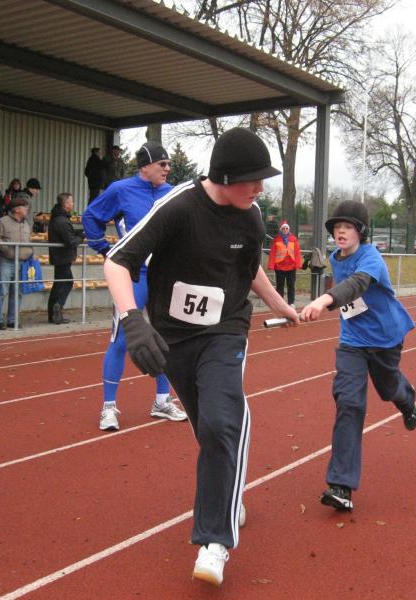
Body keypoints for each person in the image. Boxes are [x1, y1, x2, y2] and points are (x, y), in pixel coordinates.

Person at [103, 127, 298, 587]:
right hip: (174, 339)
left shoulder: (251, 217)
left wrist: (280, 305)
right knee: (204, 425)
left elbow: (250, 269)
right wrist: (133, 321)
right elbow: (117, 261)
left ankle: (215, 542)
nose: (260, 189)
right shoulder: (178, 208)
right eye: (253, 180)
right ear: (225, 177)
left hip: (225, 330)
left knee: (222, 421)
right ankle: (228, 490)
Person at [301, 200, 416, 513]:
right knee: (349, 402)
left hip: (385, 338)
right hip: (352, 340)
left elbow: (357, 285)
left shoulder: (371, 258)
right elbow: (347, 296)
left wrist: (323, 300)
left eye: (348, 227)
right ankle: (341, 485)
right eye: (336, 227)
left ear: (361, 231)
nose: (340, 232)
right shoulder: (334, 258)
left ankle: (406, 398)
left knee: (388, 388)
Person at [83, 141, 186, 430]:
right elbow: (91, 216)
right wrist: (106, 250)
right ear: (145, 166)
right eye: (162, 164)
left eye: (169, 164)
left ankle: (162, 401)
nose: (168, 168)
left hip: (164, 278)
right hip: (134, 276)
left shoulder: (173, 193)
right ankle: (109, 407)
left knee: (165, 338)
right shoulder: (120, 190)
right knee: (121, 340)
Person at [0, 193, 33, 329]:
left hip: (22, 262)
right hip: (6, 261)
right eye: (24, 207)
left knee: (17, 292)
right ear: (16, 209)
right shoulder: (2, 221)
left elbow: (29, 240)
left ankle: (12, 319)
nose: (27, 210)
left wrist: (30, 252)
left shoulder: (26, 224)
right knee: (2, 291)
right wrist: (7, 250)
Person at [47, 192, 83, 324]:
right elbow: (70, 241)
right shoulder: (61, 220)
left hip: (59, 256)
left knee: (59, 284)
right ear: (66, 204)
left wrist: (79, 232)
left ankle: (52, 314)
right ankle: (58, 306)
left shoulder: (58, 218)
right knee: (66, 282)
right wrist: (81, 237)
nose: (73, 204)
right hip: (62, 257)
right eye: (71, 201)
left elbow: (68, 234)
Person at [267, 220, 302, 307]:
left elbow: (297, 252)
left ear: (288, 229)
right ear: (281, 229)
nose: (285, 229)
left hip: (291, 267)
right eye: (283, 228)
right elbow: (272, 253)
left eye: (286, 228)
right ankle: (280, 303)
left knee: (291, 285)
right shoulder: (276, 239)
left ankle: (291, 302)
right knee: (279, 286)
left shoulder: (293, 239)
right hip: (279, 267)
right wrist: (271, 265)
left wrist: (298, 264)